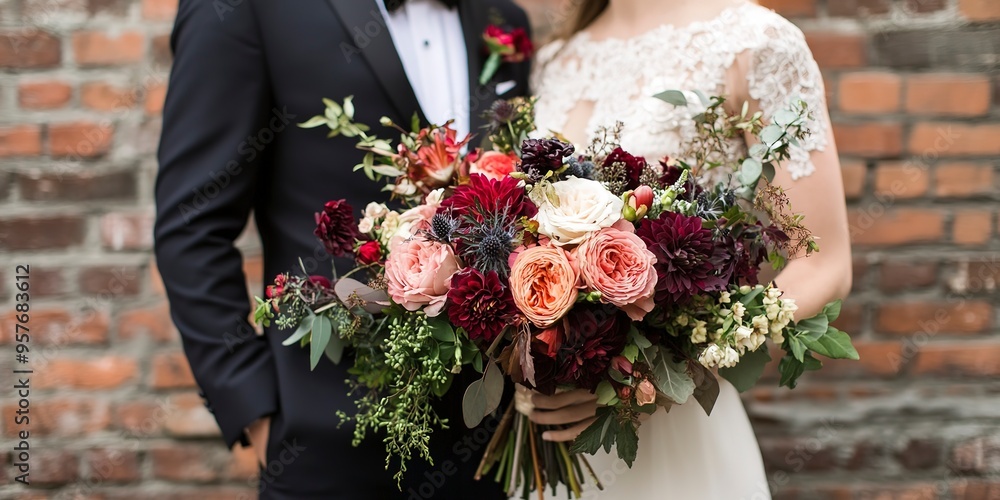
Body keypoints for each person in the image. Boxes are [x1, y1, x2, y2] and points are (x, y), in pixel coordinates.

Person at [153, 1, 531, 498]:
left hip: (498, 445)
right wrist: (256, 412)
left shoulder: (503, 17)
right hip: (326, 442)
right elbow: (191, 224)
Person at [522, 0, 853, 498]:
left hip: (673, 439)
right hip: (547, 452)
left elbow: (824, 261)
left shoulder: (755, 43)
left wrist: (645, 381)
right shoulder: (555, 57)